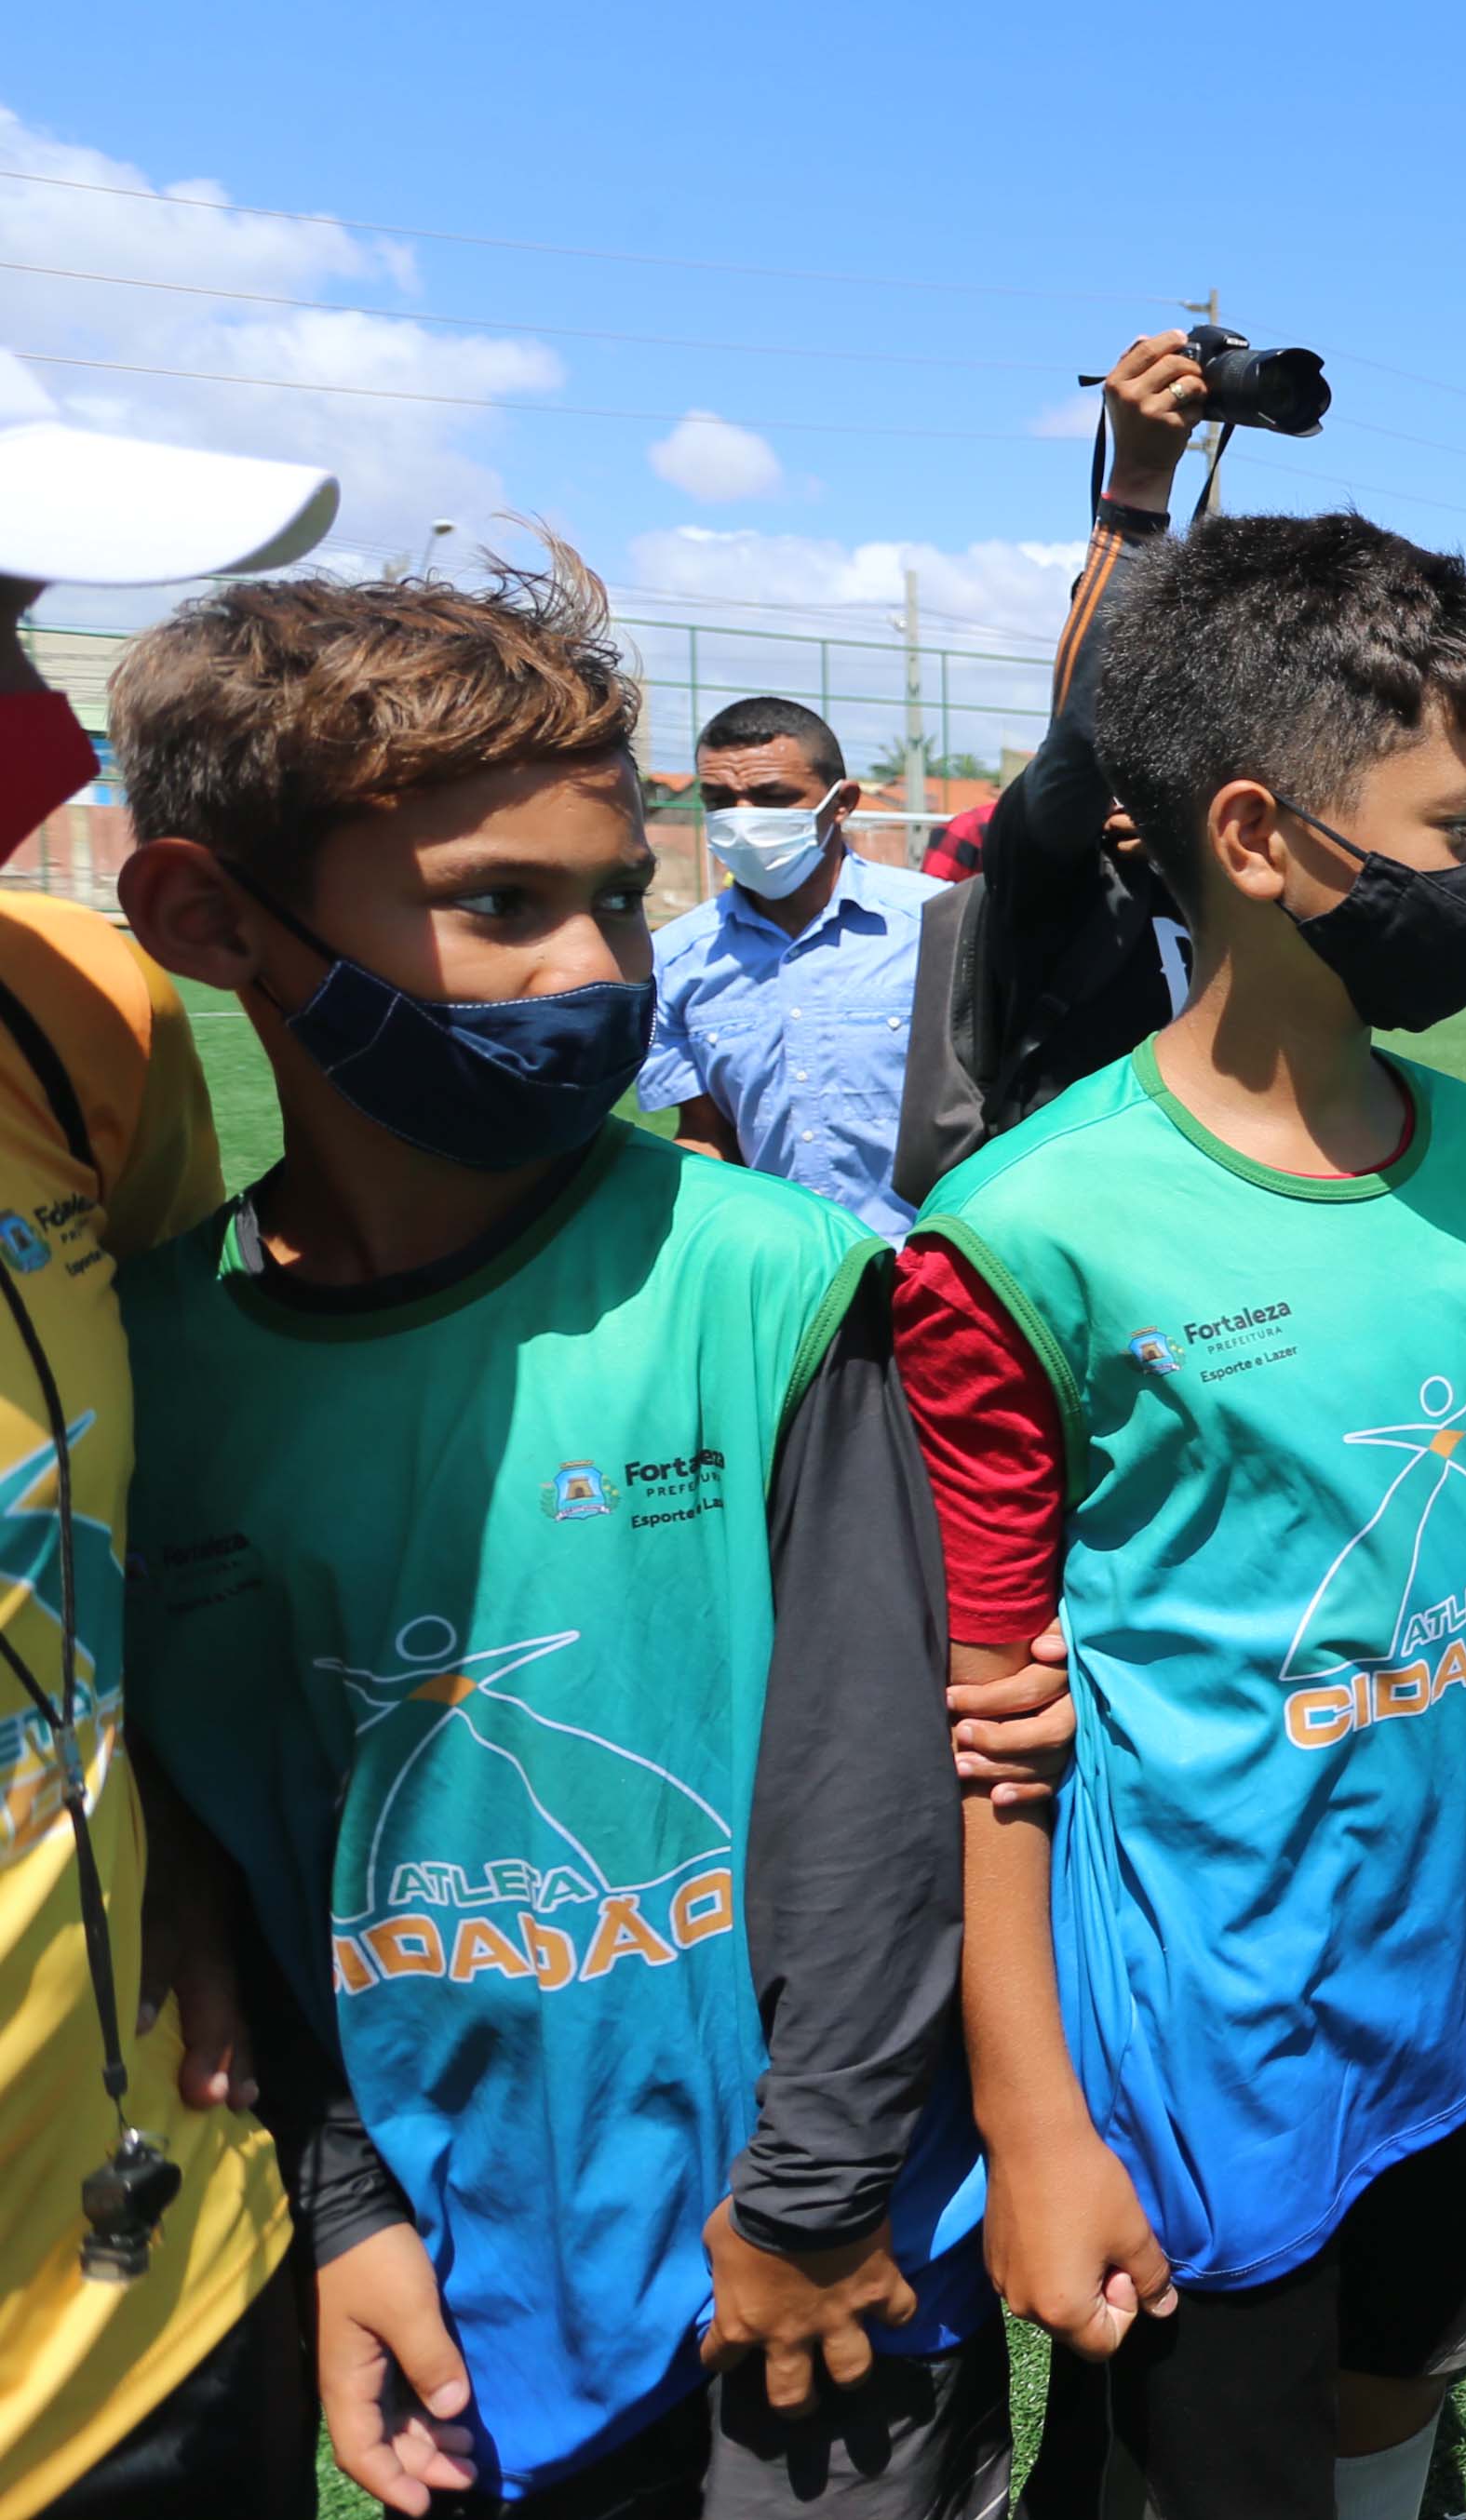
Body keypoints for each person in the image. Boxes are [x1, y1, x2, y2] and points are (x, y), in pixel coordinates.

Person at [110, 553, 997, 2515]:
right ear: (207, 919)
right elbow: (256, 1845)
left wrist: (819, 2187)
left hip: (826, 2268)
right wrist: (346, 2203)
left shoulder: (760, 1275)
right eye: (501, 905)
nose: (600, 972)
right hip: (467, 2288)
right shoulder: (160, 1367)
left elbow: (874, 1786)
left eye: (616, 898)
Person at [904, 510, 1466, 2520]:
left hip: (1438, 1986)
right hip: (1205, 2045)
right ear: (1259, 838)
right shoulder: (1026, 1229)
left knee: (1399, 2396)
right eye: (1456, 823)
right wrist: (1030, 2118)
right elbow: (982, 1728)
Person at [0, 362, 332, 2520]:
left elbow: (181, 1507)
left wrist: (199, 1885)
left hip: (145, 2278)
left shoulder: (73, 1015)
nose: (28, 702)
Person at [888, 332, 1212, 1208]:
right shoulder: (1050, 853)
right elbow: (1084, 739)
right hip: (1074, 1233)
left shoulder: (1243, 863)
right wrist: (1137, 497)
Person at [647, 697, 951, 1234]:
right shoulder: (676, 958)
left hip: (934, 1261)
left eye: (772, 797)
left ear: (842, 803)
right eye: (719, 799)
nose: (741, 821)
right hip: (783, 1271)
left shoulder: (940, 925)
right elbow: (705, 1131)